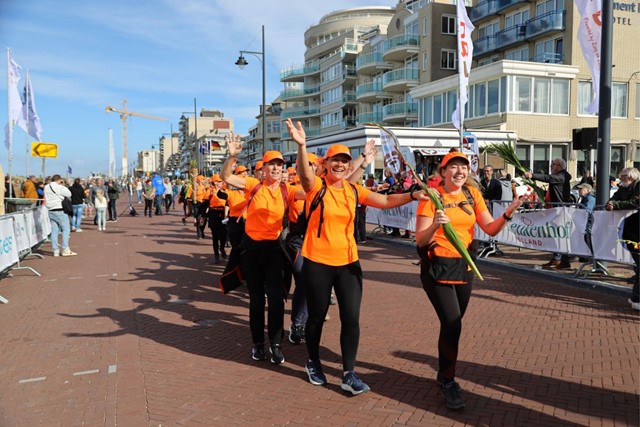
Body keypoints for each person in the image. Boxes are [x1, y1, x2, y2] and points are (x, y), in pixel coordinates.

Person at [286, 118, 431, 396]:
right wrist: (302, 146)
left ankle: (348, 373)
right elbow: (304, 175)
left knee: (351, 319)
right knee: (316, 317)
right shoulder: (317, 187)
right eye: (335, 161)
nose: (340, 165)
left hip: (348, 264)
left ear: (348, 165)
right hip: (317, 262)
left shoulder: (353, 190)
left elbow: (387, 201)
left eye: (344, 160)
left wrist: (414, 194)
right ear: (326, 164)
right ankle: (313, 361)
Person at [414, 151, 523, 409]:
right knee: (452, 324)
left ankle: (443, 372)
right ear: (443, 172)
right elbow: (420, 240)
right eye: (453, 167)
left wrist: (508, 213)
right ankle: (449, 381)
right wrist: (435, 226)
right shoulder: (432, 197)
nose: (460, 171)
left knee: (453, 324)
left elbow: (489, 228)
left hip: (464, 266)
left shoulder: (472, 195)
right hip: (437, 266)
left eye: (463, 167)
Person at [220, 136, 301, 366]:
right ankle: (258, 345)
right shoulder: (252, 185)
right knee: (256, 300)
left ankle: (276, 345)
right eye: (271, 164)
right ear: (263, 169)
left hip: (274, 249)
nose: (276, 168)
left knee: (276, 301)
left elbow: (315, 191)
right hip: (252, 250)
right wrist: (233, 154)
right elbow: (226, 177)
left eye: (279, 164)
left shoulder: (289, 190)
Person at [524, 158, 572, 269]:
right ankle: (558, 258)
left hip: (560, 210)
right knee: (556, 234)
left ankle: (560, 259)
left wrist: (532, 175)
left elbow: (548, 178)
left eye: (553, 164)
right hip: (555, 209)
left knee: (560, 234)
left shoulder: (562, 176)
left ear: (559, 166)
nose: (551, 166)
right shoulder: (559, 176)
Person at [606, 167, 639, 309]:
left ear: (630, 177)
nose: (620, 178)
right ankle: (636, 299)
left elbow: (635, 202)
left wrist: (617, 205)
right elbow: (613, 199)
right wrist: (611, 203)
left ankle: (635, 298)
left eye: (623, 176)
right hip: (633, 233)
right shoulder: (624, 188)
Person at [44, 174, 78, 257]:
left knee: (54, 231)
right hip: (59, 210)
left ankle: (55, 250)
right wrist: (63, 185)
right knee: (66, 229)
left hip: (50, 210)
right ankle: (65, 249)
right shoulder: (59, 187)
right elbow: (69, 194)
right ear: (59, 180)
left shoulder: (46, 187)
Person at [207, 175, 228, 264]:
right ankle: (216, 255)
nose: (221, 183)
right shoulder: (210, 191)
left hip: (224, 214)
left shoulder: (225, 190)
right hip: (213, 214)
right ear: (215, 182)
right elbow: (205, 204)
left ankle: (222, 248)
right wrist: (203, 216)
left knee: (224, 235)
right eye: (219, 181)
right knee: (215, 236)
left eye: (222, 181)